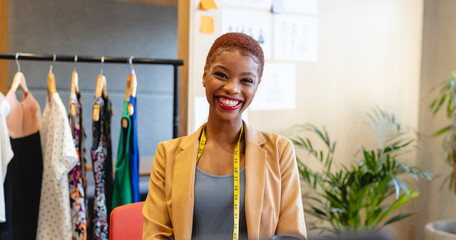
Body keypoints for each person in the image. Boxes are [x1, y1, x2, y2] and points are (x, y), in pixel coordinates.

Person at [142, 32, 307, 240]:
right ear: (205, 75)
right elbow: (155, 235)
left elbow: (292, 235)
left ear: (256, 87)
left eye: (246, 80)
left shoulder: (280, 151)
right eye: (221, 75)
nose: (232, 88)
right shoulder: (168, 154)